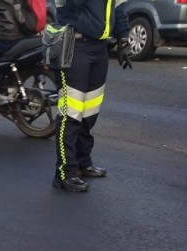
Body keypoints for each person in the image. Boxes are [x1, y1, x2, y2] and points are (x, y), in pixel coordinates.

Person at [51, 0, 132, 192]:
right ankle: (65, 173)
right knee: (70, 113)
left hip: (99, 48)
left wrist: (123, 40)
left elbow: (118, 8)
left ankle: (82, 162)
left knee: (89, 111)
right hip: (75, 46)